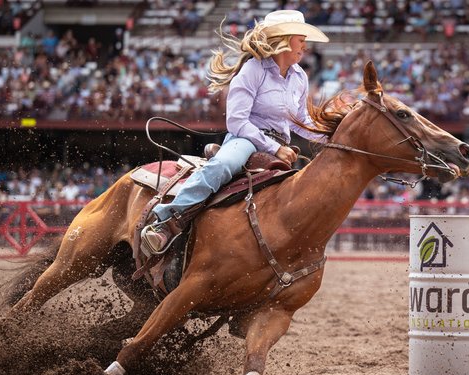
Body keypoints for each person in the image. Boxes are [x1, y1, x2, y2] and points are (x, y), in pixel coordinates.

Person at [139, 10, 329, 257]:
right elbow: (237, 121)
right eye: (300, 38)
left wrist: (329, 137)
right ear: (283, 39)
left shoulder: (299, 76)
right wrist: (274, 147)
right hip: (247, 140)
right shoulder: (253, 70)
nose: (305, 44)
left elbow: (300, 120)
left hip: (282, 146)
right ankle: (167, 221)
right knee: (222, 165)